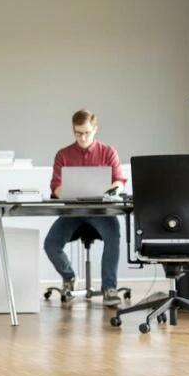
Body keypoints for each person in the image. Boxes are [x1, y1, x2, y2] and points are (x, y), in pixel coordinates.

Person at [44, 109, 126, 307]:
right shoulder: (63, 155)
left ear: (95, 129)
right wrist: (70, 194)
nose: (82, 137)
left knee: (113, 236)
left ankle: (109, 288)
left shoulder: (108, 152)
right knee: (51, 245)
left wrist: (113, 190)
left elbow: (119, 180)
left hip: (101, 212)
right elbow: (56, 186)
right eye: (78, 133)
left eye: (86, 133)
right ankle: (69, 276)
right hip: (73, 211)